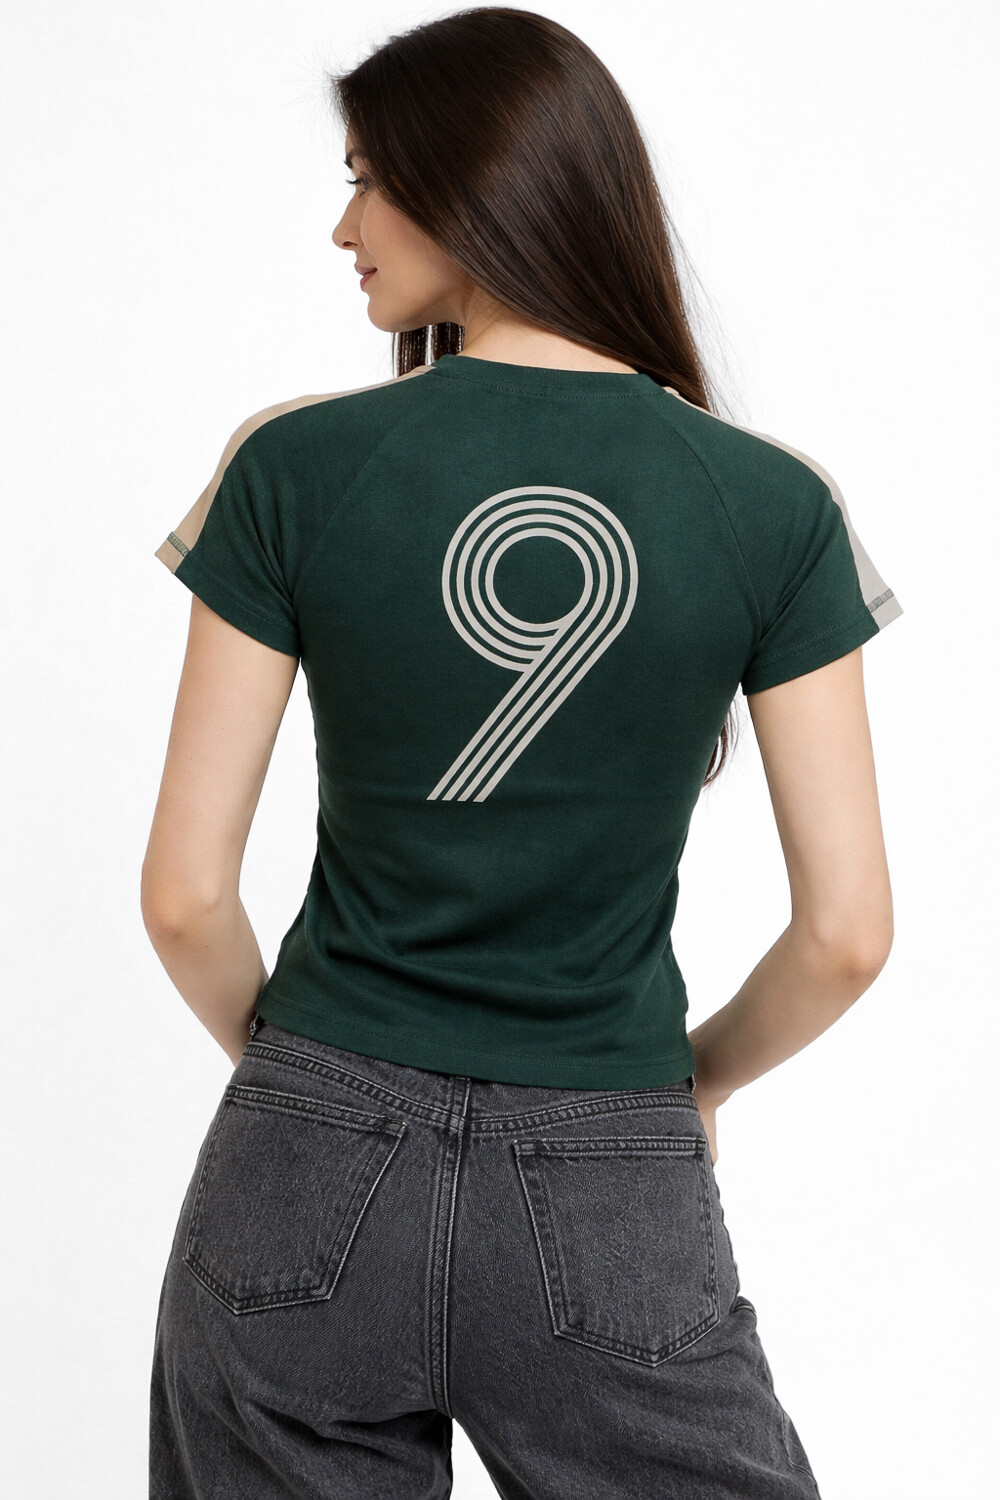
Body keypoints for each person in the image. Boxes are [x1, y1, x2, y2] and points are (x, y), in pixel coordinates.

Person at [142, 9, 901, 1497]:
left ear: (469, 181)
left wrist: (308, 1086)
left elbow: (183, 898)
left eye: (367, 181)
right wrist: (692, 1087)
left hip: (301, 1157)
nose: (344, 227)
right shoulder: (772, 505)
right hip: (613, 1158)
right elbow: (848, 935)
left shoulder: (292, 463)